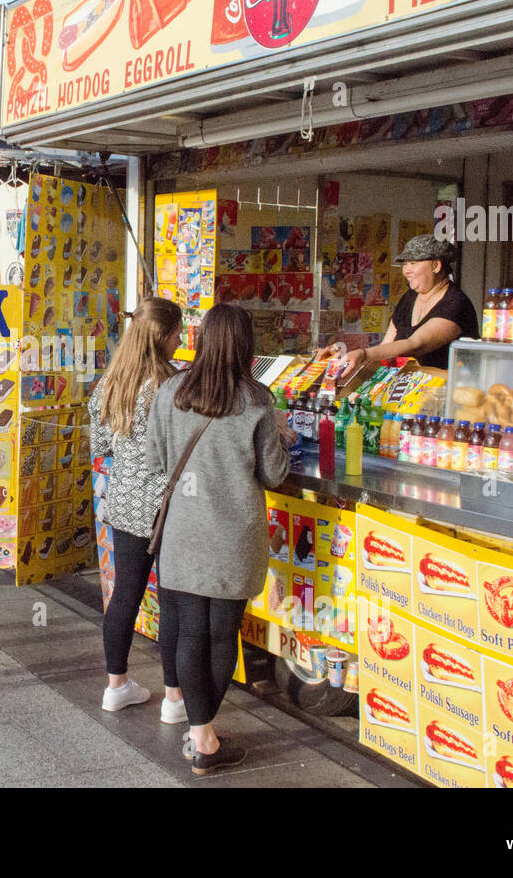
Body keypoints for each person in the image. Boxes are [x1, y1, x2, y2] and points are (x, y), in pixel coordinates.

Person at [145, 302, 293, 775]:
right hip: (235, 535)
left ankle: (200, 730)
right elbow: (273, 474)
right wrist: (283, 438)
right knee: (222, 633)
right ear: (246, 345)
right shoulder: (257, 401)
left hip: (183, 531)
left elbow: (155, 460)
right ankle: (204, 735)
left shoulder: (171, 391)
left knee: (190, 631)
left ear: (204, 338)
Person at [87, 297, 188, 720]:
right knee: (173, 602)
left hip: (124, 503)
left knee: (124, 595)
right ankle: (174, 699)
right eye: (178, 332)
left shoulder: (110, 383)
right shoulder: (174, 385)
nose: (181, 339)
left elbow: (99, 446)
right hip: (168, 507)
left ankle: (116, 686)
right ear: (163, 336)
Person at [331, 234, 478, 377]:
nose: (406, 270)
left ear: (436, 266)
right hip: (406, 391)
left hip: (442, 393)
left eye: (413, 263)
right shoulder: (410, 297)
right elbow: (385, 347)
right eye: (405, 264)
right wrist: (341, 357)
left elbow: (415, 344)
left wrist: (363, 354)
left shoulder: (456, 304)